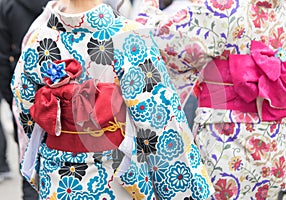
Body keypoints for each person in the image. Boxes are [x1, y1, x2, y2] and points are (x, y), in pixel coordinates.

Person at [10, 0, 215, 199]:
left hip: (57, 178)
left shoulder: (39, 39)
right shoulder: (128, 35)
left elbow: (26, 112)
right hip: (115, 175)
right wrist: (180, 190)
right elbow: (158, 120)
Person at [136, 0, 286, 199]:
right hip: (275, 150)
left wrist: (147, 9)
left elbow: (162, 38)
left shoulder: (224, 9)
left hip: (227, 144)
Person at [0, 0, 49, 199]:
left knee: (28, 164)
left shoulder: (7, 5)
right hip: (64, 90)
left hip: (23, 91)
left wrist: (11, 95)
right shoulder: (63, 5)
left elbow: (2, 59)